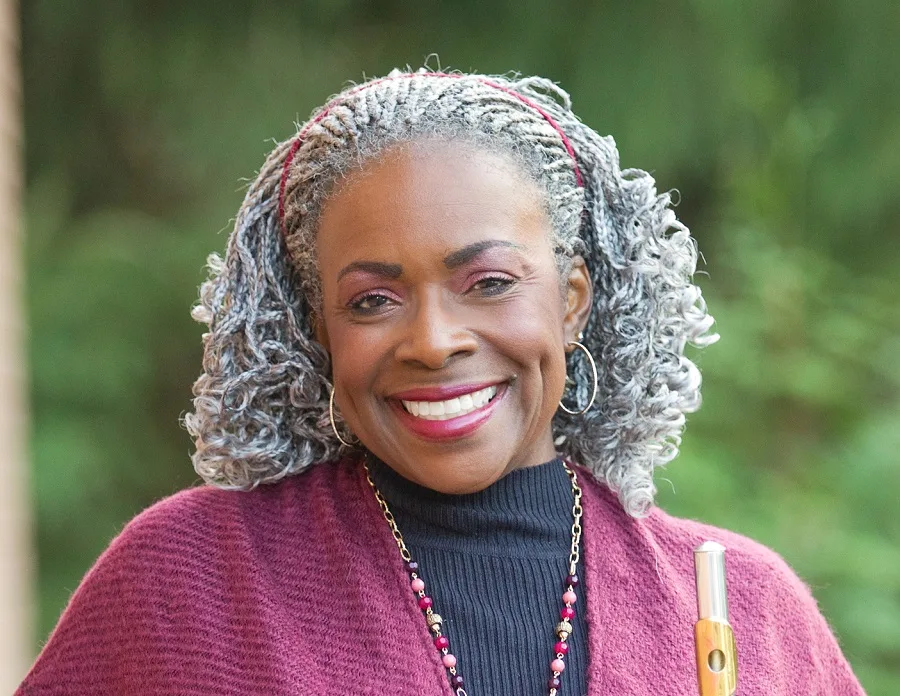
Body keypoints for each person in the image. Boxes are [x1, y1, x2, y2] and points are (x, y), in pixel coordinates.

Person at [18, 69, 866, 696]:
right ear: (318, 329)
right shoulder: (187, 586)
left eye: (489, 282)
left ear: (572, 300)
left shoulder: (744, 612)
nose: (433, 341)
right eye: (373, 300)